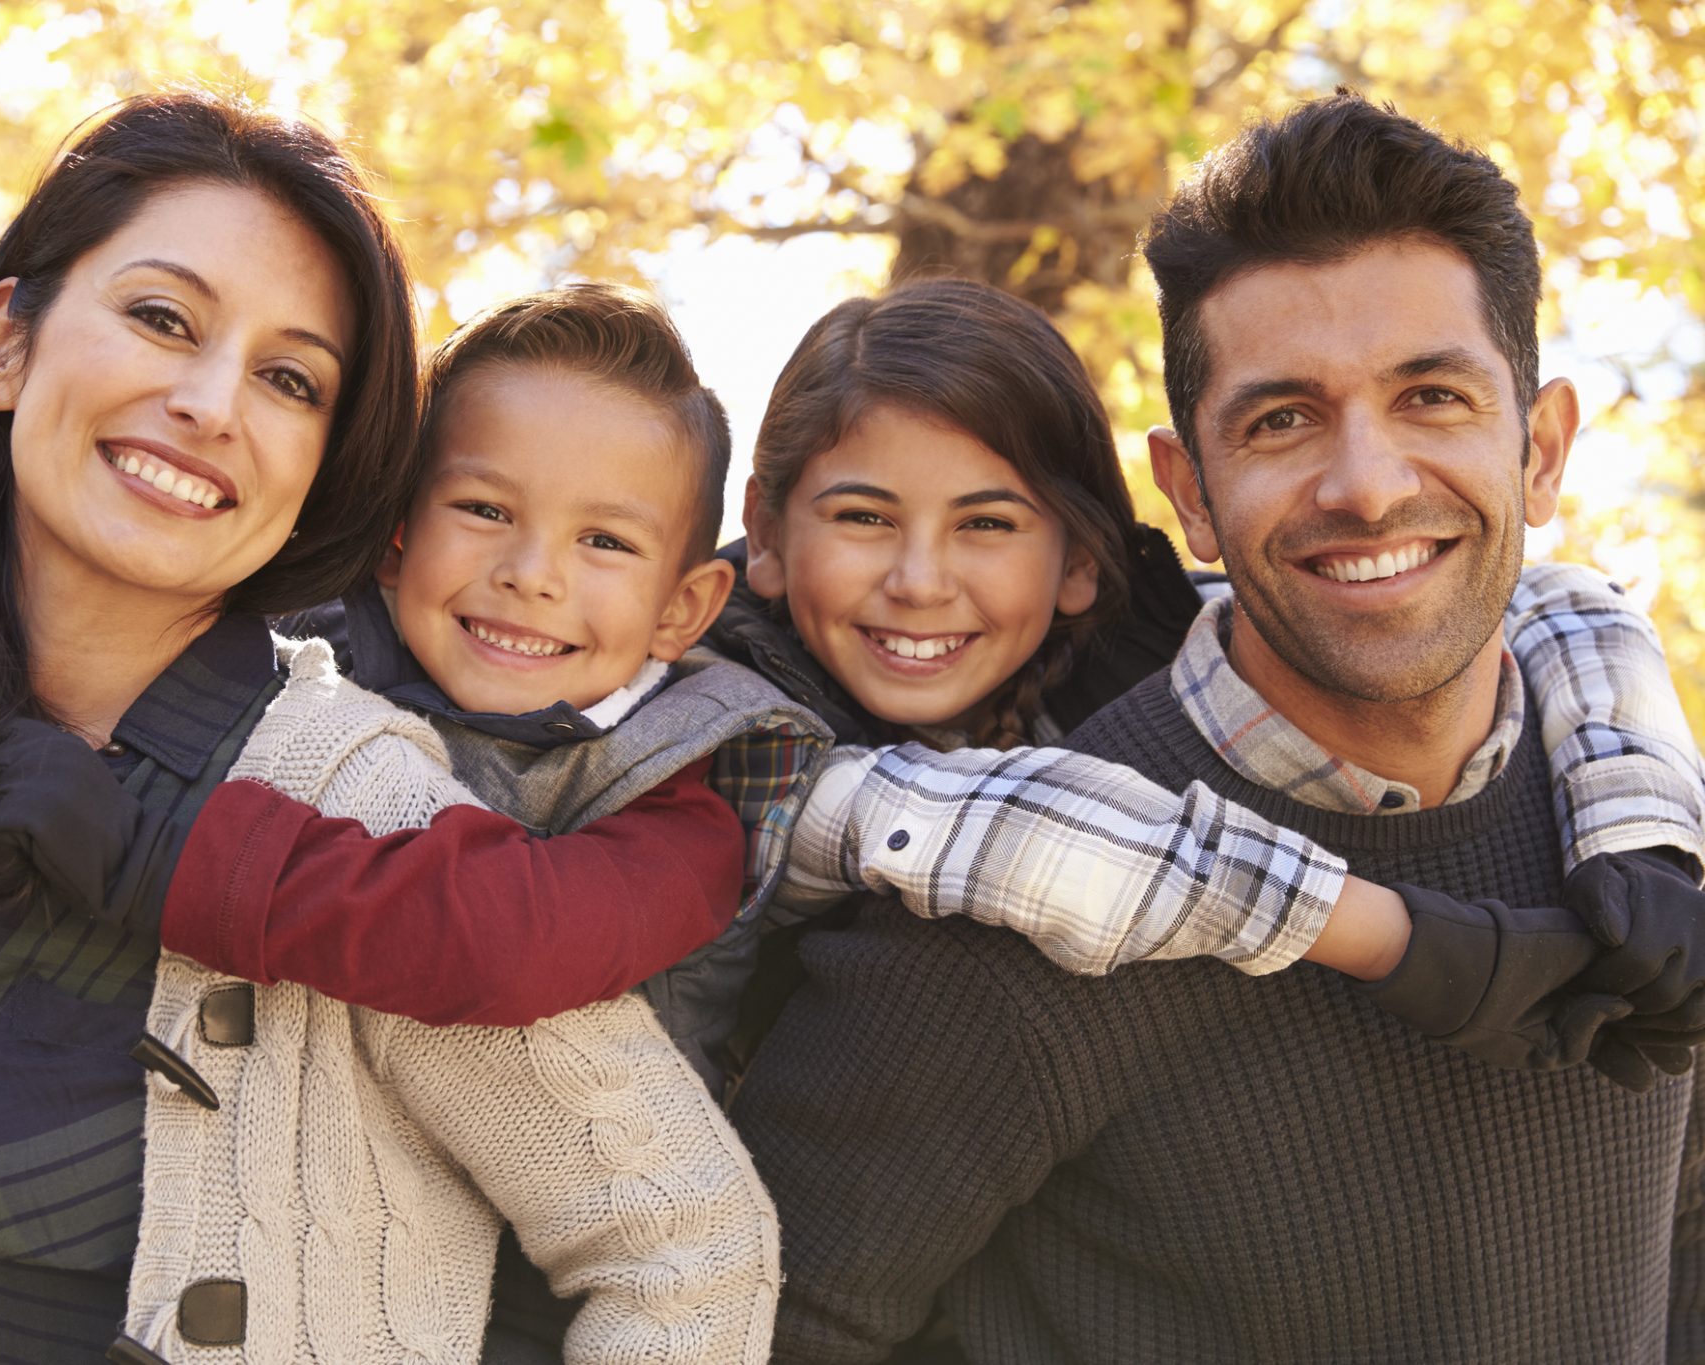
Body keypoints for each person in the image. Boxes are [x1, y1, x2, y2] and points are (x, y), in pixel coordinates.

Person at [0, 94, 771, 1365]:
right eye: (161, 318)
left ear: (322, 467)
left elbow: (686, 1254)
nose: (209, 403)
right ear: (5, 344)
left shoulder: (352, 808)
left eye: (288, 379)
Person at [729, 94, 1705, 1362]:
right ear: (1186, 492)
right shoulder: (1002, 928)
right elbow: (755, 1327)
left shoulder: (1640, 842)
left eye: (1429, 397)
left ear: (1541, 449)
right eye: (1281, 420)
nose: (1365, 484)